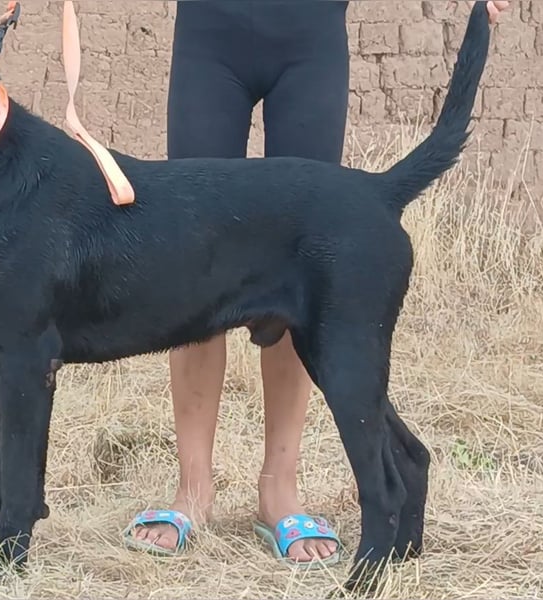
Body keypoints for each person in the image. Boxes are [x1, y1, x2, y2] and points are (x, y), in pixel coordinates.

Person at [122, 0, 510, 567]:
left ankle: (279, 490)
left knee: (301, 265)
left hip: (309, 36)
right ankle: (192, 491)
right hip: (211, 32)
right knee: (195, 265)